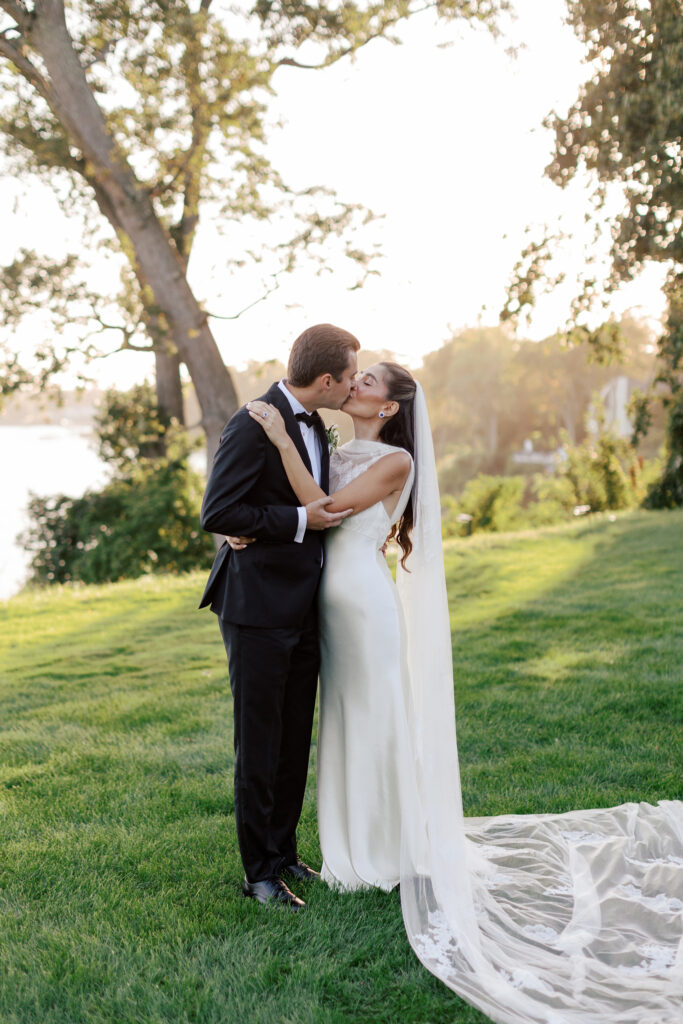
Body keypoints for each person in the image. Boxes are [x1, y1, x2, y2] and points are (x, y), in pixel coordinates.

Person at [241, 361, 683, 1024]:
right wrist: (244, 521)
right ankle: (345, 843)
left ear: (388, 409)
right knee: (344, 722)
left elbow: (326, 512)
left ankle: (383, 847)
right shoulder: (333, 444)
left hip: (360, 602)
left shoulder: (393, 462)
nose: (355, 383)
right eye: (354, 375)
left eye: (368, 382)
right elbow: (296, 505)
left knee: (374, 720)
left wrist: (278, 440)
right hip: (324, 601)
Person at [199, 323, 359, 912]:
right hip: (259, 608)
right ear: (325, 380)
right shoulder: (253, 422)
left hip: (306, 606)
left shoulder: (315, 425)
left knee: (294, 740)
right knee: (260, 744)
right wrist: (297, 523)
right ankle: (259, 875)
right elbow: (219, 510)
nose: (351, 387)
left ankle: (286, 854)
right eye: (348, 378)